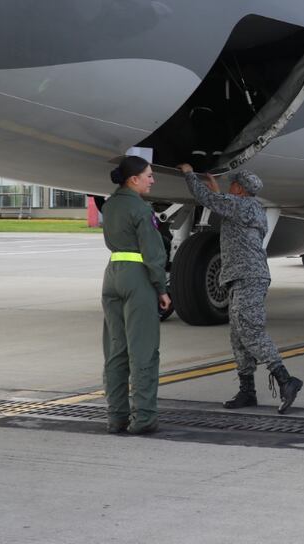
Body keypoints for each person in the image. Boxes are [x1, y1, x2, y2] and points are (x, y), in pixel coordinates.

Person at [177, 164, 302, 414]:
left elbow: (208, 199)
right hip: (239, 277)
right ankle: (247, 391)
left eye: (233, 184)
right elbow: (217, 200)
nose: (230, 187)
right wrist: (213, 185)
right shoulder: (246, 206)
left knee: (251, 331)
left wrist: (189, 174)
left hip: (249, 277)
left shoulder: (240, 206)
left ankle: (286, 380)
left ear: (241, 190)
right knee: (238, 337)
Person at [101, 155, 170, 435]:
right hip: (136, 276)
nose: (152, 180)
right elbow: (153, 253)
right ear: (134, 179)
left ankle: (116, 417)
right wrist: (162, 289)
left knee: (116, 351)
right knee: (143, 351)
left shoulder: (111, 205)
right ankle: (143, 418)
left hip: (112, 274)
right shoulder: (141, 210)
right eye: (149, 176)